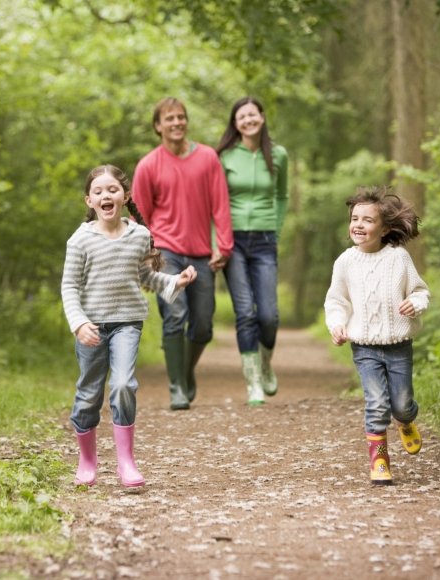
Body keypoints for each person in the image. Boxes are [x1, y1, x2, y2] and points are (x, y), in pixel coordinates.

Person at [61, 164, 197, 488]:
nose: (106, 195)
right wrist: (79, 324)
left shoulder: (139, 235)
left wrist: (175, 281)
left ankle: (126, 462)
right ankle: (87, 461)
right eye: (98, 191)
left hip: (127, 323)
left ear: (124, 196)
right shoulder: (80, 240)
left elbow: (145, 276)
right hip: (91, 327)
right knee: (89, 395)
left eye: (112, 190)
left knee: (123, 385)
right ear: (89, 200)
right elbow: (69, 286)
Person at [132, 97, 233, 410]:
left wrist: (224, 246)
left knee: (203, 324)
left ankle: (185, 371)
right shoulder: (148, 165)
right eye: (169, 118)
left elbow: (221, 204)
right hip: (166, 254)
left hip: (202, 254)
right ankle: (176, 386)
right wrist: (147, 257)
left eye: (181, 117)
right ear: (158, 126)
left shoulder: (207, 158)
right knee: (175, 315)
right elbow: (139, 217)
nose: (176, 122)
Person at [324, 186, 429, 486]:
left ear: (384, 229)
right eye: (354, 218)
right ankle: (379, 459)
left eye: (367, 220)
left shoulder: (398, 258)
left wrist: (415, 304)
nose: (358, 224)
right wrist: (337, 324)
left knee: (401, 404)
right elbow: (337, 301)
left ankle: (406, 420)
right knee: (377, 403)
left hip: (398, 346)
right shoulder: (345, 262)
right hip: (364, 347)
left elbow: (420, 291)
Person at [215, 97, 288, 405]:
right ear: (235, 123)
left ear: (262, 117)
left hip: (264, 240)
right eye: (241, 116)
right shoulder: (225, 156)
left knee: (269, 315)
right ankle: (253, 383)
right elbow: (215, 201)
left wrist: (276, 228)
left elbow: (282, 195)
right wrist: (216, 242)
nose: (247, 120)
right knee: (245, 313)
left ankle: (265, 364)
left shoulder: (279, 154)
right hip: (232, 242)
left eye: (252, 114)